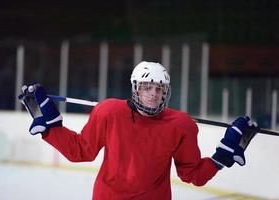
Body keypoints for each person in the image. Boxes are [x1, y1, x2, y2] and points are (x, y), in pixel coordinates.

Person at [18, 61, 259, 200]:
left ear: (166, 92)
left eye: (159, 89)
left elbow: (192, 175)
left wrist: (222, 157)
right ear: (135, 88)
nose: (154, 94)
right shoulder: (109, 112)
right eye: (147, 87)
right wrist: (51, 128)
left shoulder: (181, 124)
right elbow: (82, 151)